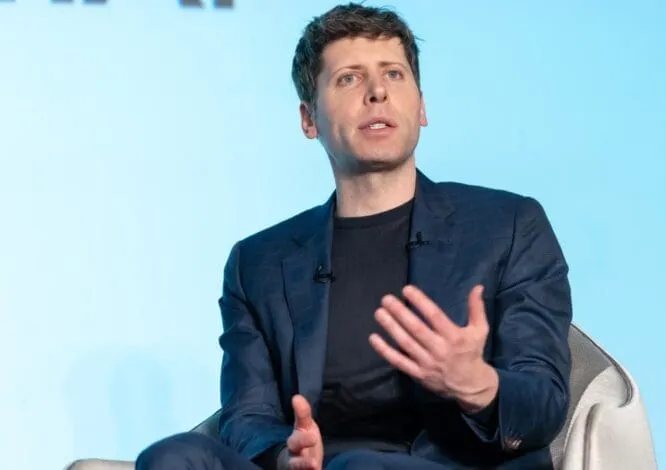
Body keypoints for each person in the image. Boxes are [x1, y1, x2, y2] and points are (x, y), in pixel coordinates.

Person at [136, 2, 572, 469]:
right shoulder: (257, 263)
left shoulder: (507, 225)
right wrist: (287, 453)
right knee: (172, 457)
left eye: (394, 75)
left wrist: (478, 383)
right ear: (309, 119)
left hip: (455, 464)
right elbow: (248, 414)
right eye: (349, 78)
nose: (378, 92)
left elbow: (544, 398)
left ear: (421, 106)